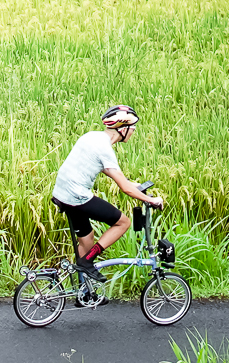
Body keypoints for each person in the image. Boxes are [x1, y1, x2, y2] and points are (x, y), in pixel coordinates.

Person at [51, 105, 157, 290]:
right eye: (132, 128)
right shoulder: (105, 149)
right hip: (77, 196)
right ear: (122, 129)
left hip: (64, 194)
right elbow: (124, 188)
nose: (133, 132)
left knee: (87, 238)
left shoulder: (93, 137)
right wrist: (151, 200)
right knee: (123, 223)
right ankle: (87, 262)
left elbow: (119, 178)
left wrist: (138, 187)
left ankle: (84, 290)